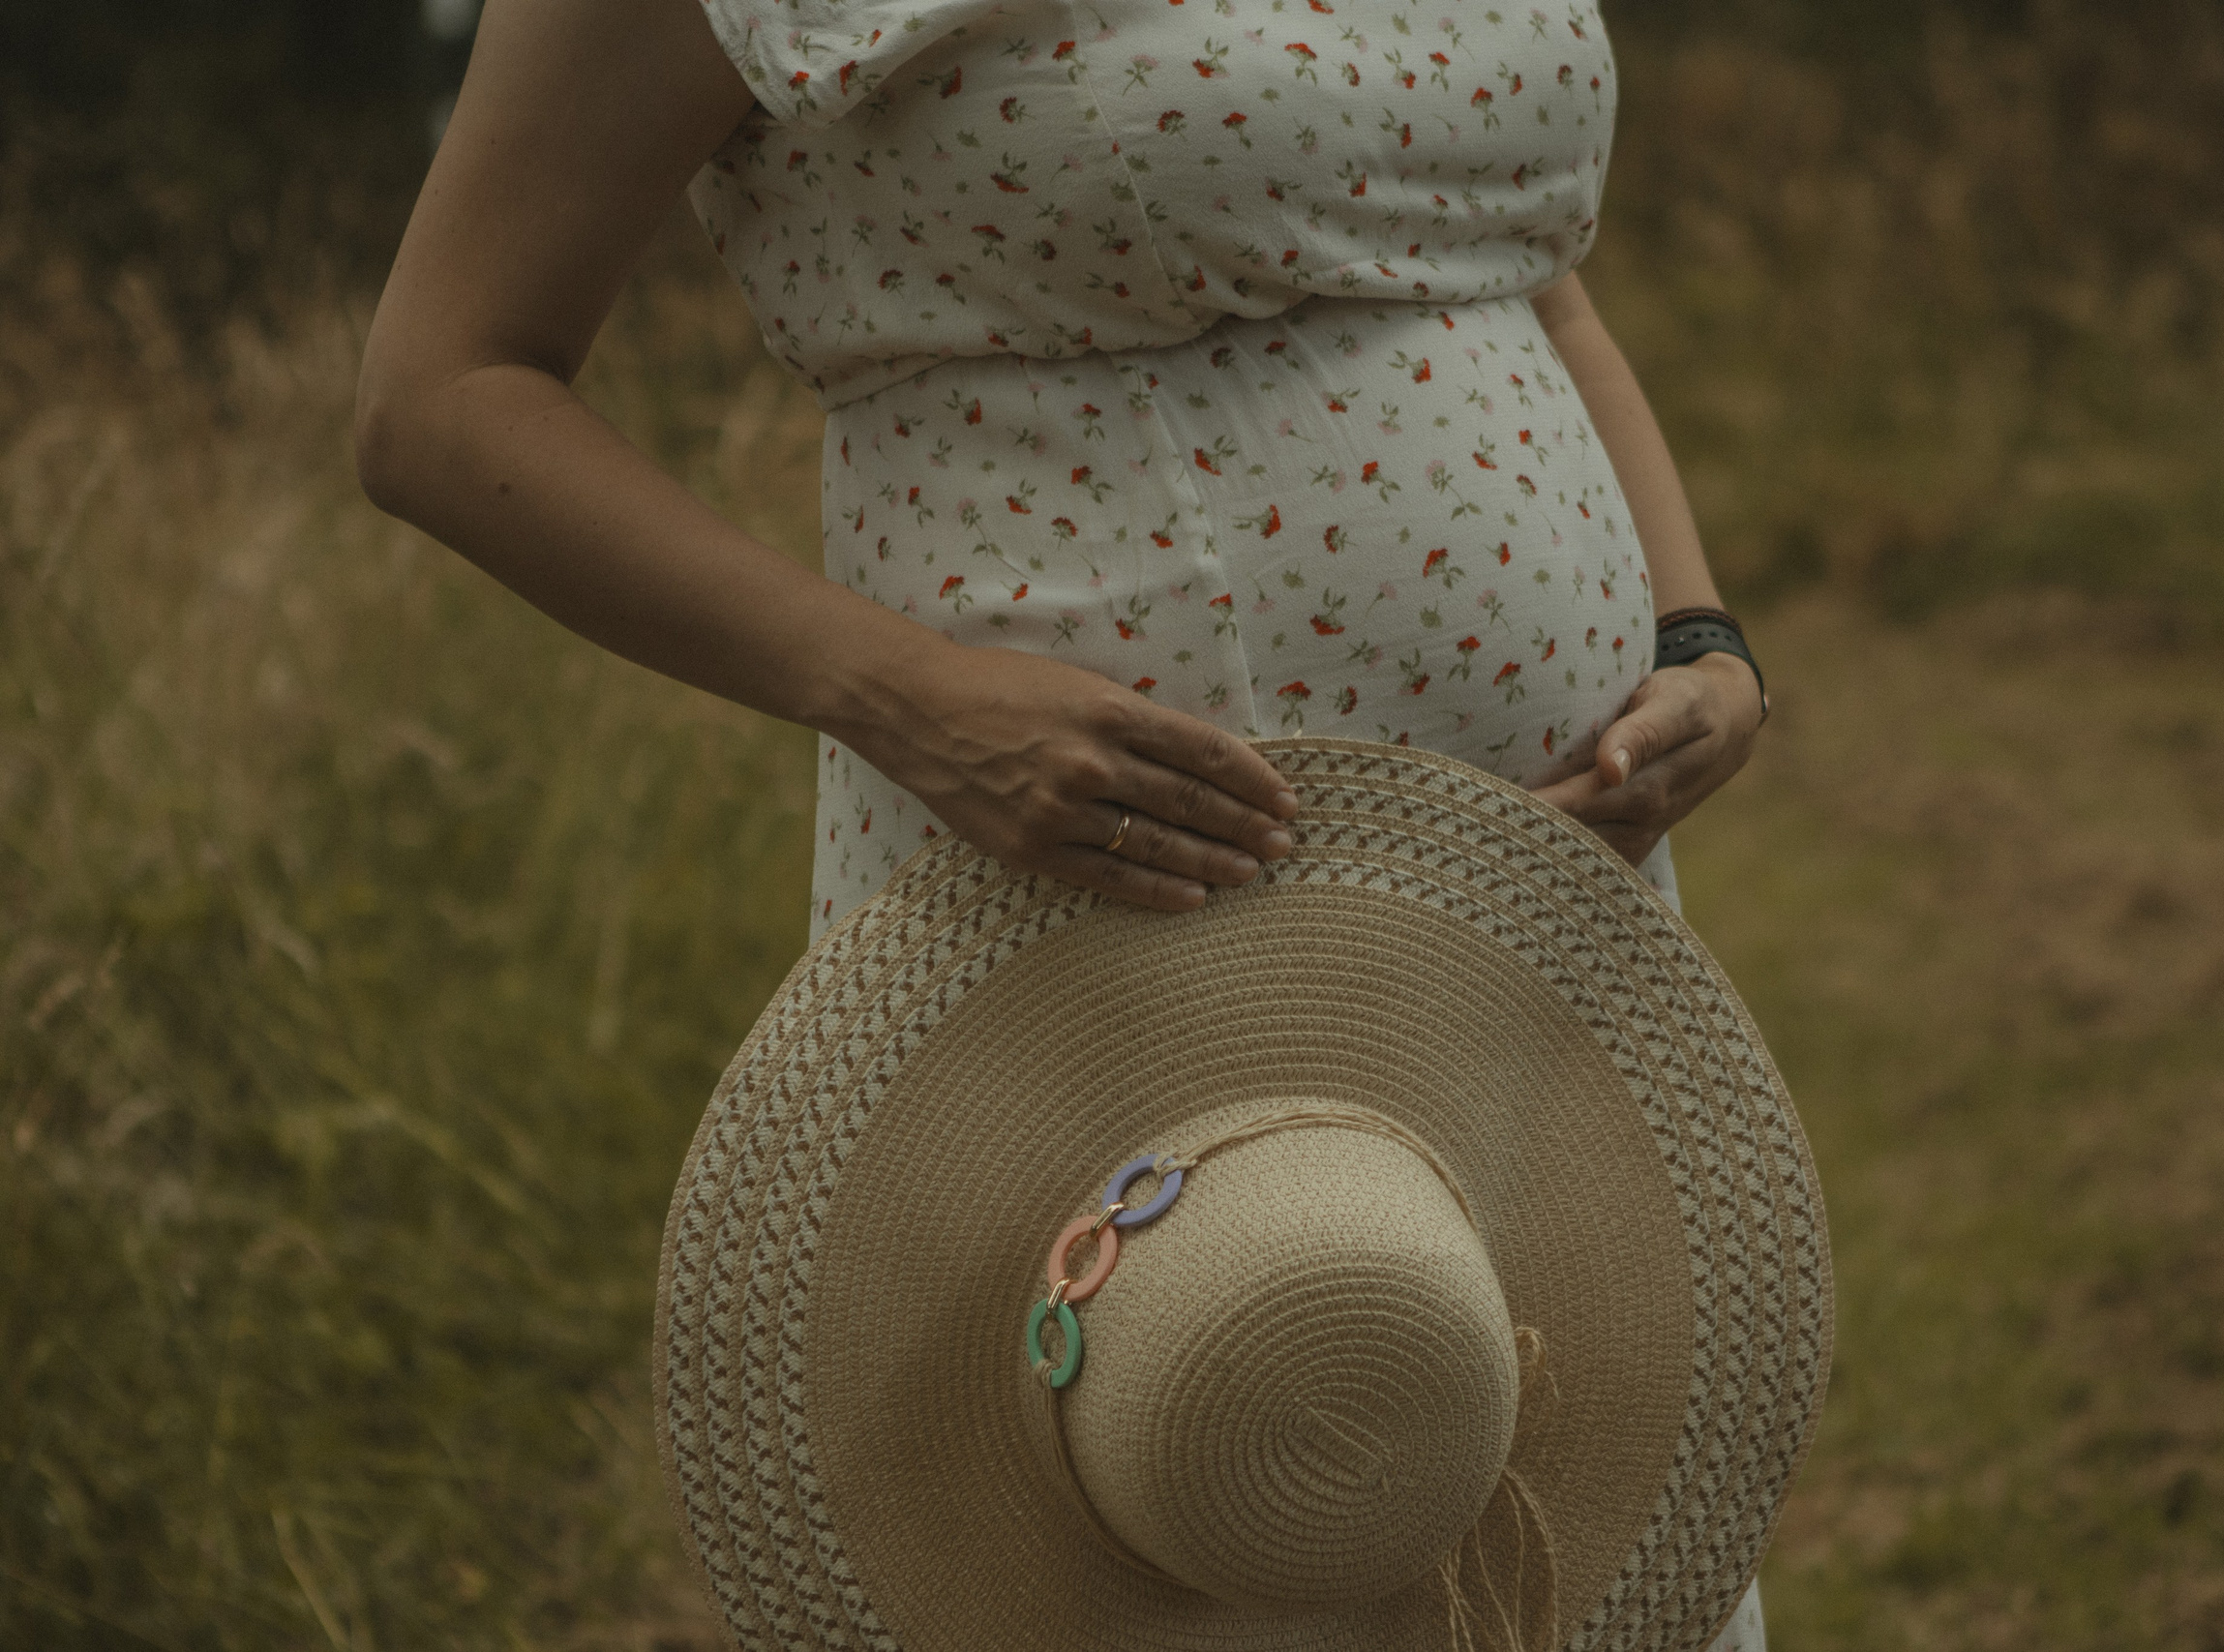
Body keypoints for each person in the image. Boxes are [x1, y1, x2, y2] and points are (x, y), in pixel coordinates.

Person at [355, 0, 1770, 1640]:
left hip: (1532, 921)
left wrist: (1695, 631)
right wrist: (897, 695)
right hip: (1124, 911)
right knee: (1195, 1494)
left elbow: (1518, 265)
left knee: (1520, 1502)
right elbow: (440, 394)